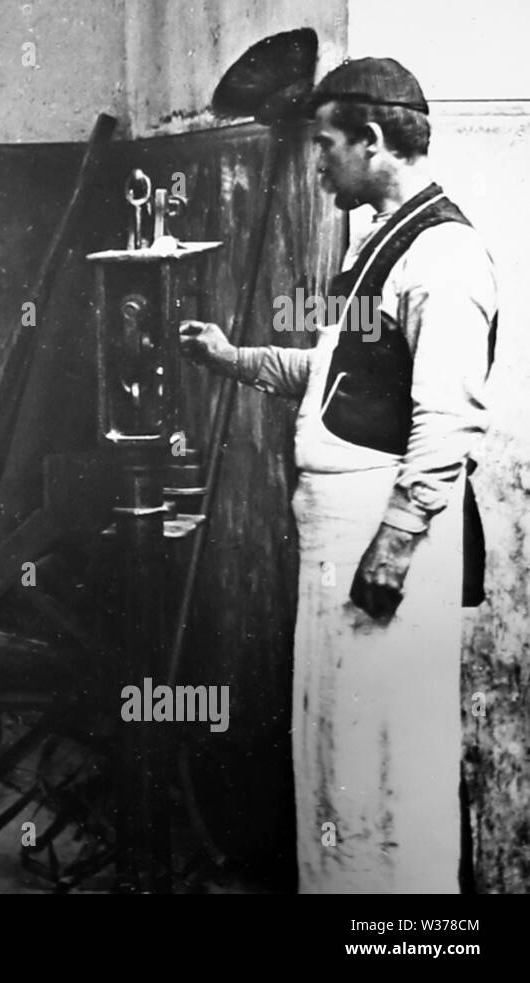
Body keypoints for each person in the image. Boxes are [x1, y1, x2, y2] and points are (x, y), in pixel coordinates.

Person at [179, 57, 498, 893]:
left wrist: (392, 549)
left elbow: (448, 423)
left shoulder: (447, 257)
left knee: (392, 766)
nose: (316, 161)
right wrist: (234, 358)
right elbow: (332, 374)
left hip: (386, 548)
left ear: (373, 138)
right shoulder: (375, 246)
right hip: (339, 539)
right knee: (336, 757)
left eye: (326, 144)